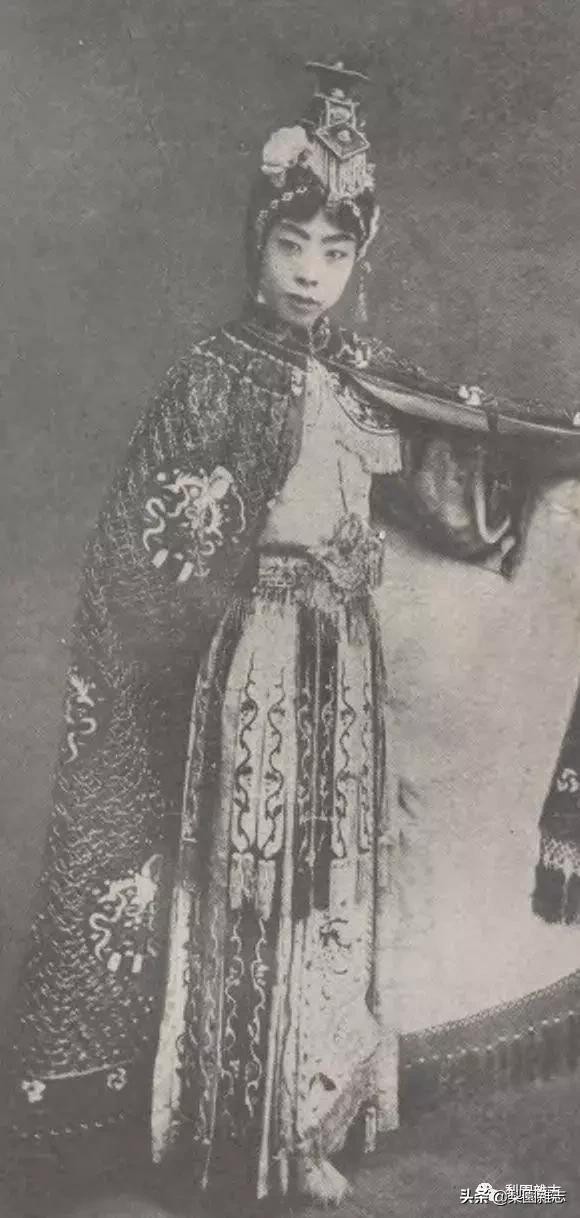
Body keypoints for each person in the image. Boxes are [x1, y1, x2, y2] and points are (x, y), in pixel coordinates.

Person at [4, 60, 574, 1210]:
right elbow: (149, 554)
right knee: (247, 890)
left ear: (358, 261)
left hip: (344, 672)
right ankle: (223, 1127)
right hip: (255, 667)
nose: (311, 273)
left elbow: (458, 499)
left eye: (334, 252)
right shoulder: (211, 382)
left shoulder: (365, 384)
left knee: (331, 895)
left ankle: (308, 1118)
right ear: (254, 245)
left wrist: (552, 484)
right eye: (290, 245)